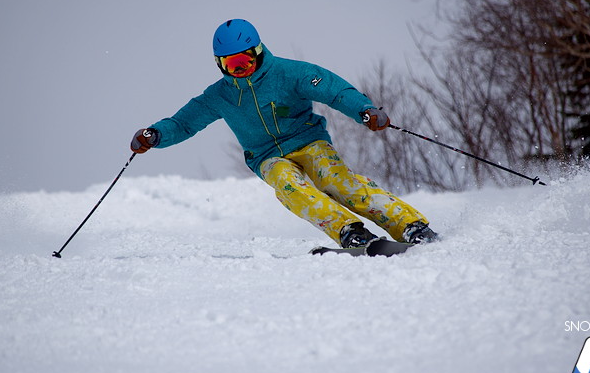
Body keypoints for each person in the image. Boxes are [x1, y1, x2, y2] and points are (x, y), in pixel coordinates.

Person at [131, 19, 438, 248]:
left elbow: (333, 90)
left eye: (245, 61)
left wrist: (365, 110)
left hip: (309, 142)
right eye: (232, 65)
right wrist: (154, 135)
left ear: (258, 52)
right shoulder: (219, 96)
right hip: (266, 156)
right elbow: (184, 122)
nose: (241, 70)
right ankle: (349, 231)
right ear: (220, 65)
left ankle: (409, 224)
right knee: (288, 185)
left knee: (336, 182)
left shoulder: (289, 73)